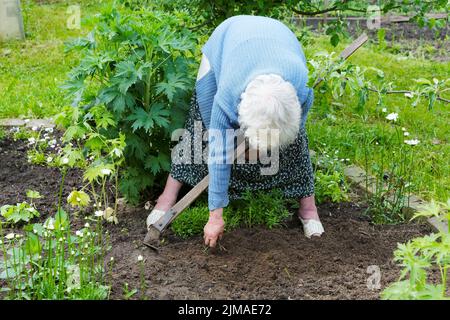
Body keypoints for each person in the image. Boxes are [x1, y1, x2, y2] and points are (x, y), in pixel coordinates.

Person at [146, 15, 324, 248]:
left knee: (295, 142)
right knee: (200, 130)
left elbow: (297, 122)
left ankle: (308, 209)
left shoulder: (299, 86)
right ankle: (166, 198)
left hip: (277, 41)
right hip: (226, 42)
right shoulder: (227, 95)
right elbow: (220, 153)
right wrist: (215, 216)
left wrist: (264, 144)